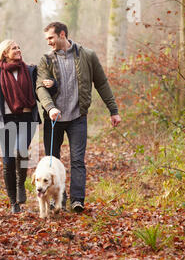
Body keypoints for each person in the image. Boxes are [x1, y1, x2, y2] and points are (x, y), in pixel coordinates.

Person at [36, 22, 122, 213]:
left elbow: (102, 83)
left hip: (77, 117)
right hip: (54, 119)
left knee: (77, 160)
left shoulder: (87, 55)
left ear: (62, 34)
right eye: (47, 39)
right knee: (52, 161)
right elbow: (40, 87)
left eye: (51, 38)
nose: (49, 42)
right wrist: (50, 108)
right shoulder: (46, 60)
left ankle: (77, 200)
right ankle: (56, 200)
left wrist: (113, 110)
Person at [0, 40, 42, 213]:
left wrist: (51, 85)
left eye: (19, 47)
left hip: (27, 118)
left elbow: (41, 92)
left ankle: (21, 184)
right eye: (14, 48)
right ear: (5, 53)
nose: (18, 50)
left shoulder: (30, 71)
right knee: (8, 161)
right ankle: (13, 203)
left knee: (20, 151)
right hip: (6, 122)